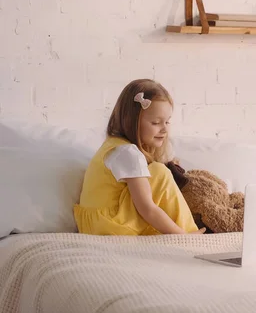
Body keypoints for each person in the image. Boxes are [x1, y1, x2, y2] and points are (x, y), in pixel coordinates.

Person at [73, 79, 205, 235]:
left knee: (155, 171)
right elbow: (147, 208)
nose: (164, 129)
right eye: (156, 122)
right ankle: (189, 233)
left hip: (94, 224)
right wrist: (182, 236)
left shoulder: (113, 145)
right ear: (131, 122)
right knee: (159, 172)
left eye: (167, 122)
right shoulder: (127, 153)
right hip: (111, 225)